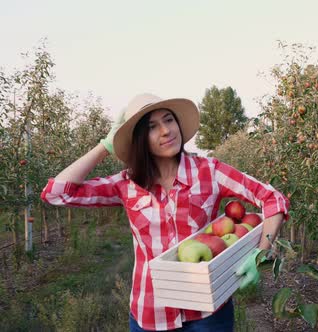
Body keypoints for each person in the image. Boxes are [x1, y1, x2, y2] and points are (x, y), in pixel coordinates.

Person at [40, 93, 289, 331]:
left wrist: (261, 253)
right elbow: (58, 193)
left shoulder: (209, 172)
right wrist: (105, 146)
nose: (166, 130)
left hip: (208, 313)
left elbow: (272, 198)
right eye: (151, 126)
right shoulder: (126, 184)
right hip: (151, 313)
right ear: (139, 139)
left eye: (169, 120)